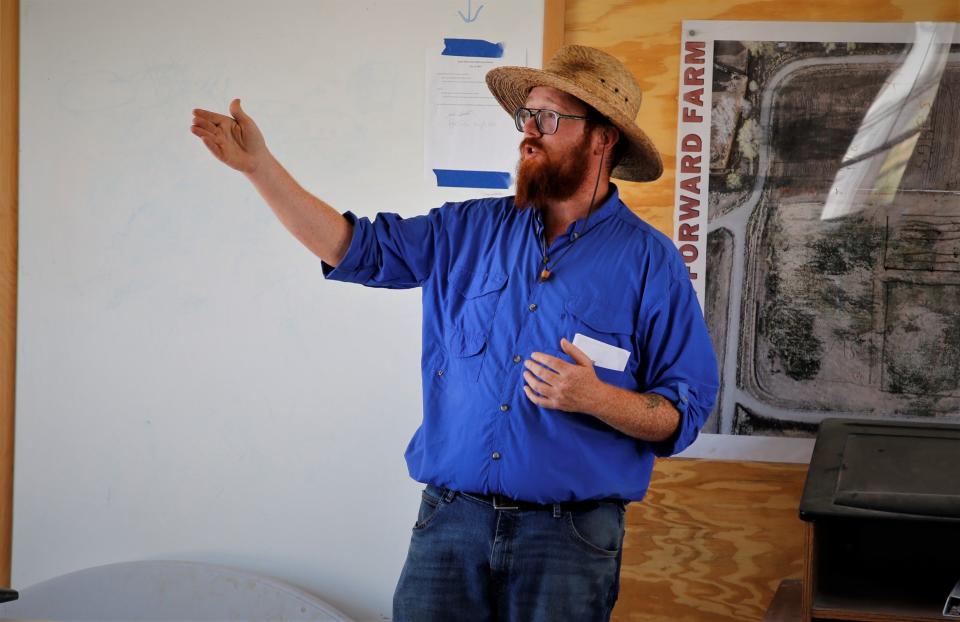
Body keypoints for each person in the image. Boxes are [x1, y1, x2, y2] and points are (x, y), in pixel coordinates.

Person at [191, 44, 718, 622]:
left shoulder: (650, 263)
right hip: (450, 525)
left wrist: (598, 399)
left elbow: (681, 412)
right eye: (527, 116)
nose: (529, 132)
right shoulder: (466, 229)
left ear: (602, 138)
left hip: (569, 542)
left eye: (550, 118)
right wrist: (259, 169)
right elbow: (353, 247)